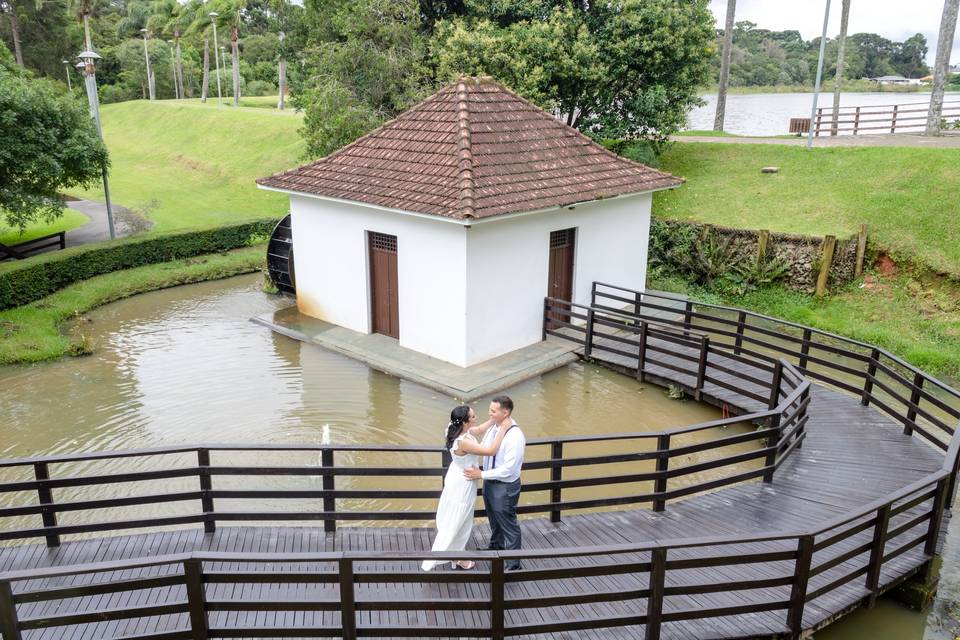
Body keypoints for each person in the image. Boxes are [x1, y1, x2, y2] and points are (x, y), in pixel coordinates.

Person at [421, 405, 514, 571]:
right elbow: (491, 450)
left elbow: (477, 430)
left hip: (457, 475)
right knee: (460, 520)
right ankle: (458, 557)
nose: (475, 418)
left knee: (458, 518)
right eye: (472, 417)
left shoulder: (452, 429)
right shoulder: (464, 442)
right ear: (464, 422)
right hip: (464, 481)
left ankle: (457, 554)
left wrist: (494, 419)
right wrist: (503, 428)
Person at [464, 395, 526, 571]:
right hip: (490, 481)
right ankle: (496, 547)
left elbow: (509, 468)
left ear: (505, 412)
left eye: (493, 411)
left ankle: (514, 564)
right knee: (494, 518)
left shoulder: (515, 435)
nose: (489, 413)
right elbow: (484, 446)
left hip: (504, 486)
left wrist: (481, 474)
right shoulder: (494, 428)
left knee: (508, 522)